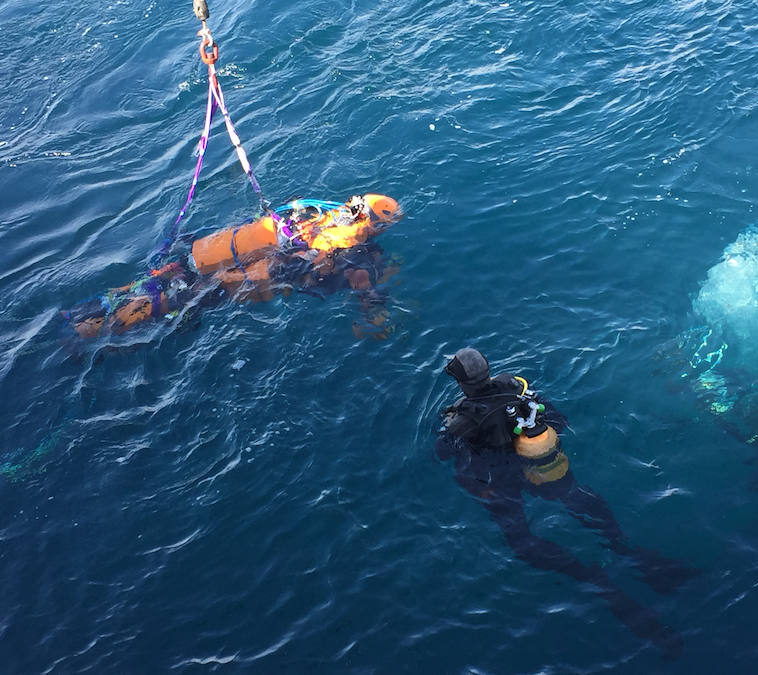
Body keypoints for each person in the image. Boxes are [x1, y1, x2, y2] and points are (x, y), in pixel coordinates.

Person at [436, 348, 699, 659]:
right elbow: (558, 420)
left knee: (521, 542)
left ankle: (592, 578)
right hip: (542, 464)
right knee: (575, 497)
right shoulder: (512, 385)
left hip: (502, 478)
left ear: (461, 383)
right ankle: (628, 550)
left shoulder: (462, 420)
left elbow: (448, 456)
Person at [61, 193, 401, 340]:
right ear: (378, 224)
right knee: (175, 304)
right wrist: (378, 315)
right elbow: (364, 293)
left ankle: (91, 307)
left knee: (167, 279)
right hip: (244, 279)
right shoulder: (356, 254)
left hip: (220, 251)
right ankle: (88, 334)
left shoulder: (322, 215)